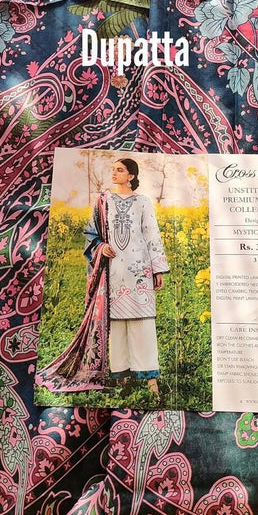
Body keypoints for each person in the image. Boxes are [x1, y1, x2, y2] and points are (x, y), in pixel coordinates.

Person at [84, 157, 170, 398]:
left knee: (143, 323)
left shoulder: (143, 202)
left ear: (131, 176)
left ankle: (151, 381)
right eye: (113, 170)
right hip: (113, 271)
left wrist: (158, 269)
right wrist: (101, 246)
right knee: (117, 324)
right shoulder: (104, 201)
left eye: (119, 170)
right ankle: (121, 377)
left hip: (139, 271)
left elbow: (152, 235)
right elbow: (91, 232)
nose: (114, 173)